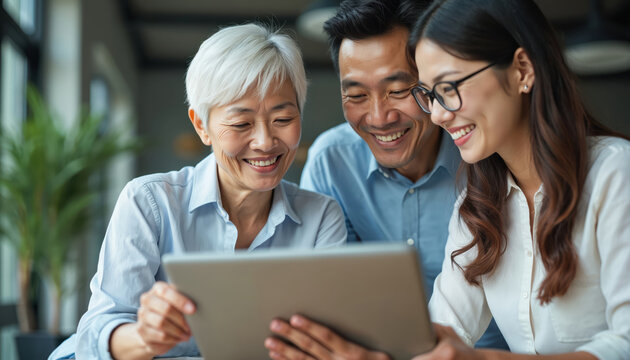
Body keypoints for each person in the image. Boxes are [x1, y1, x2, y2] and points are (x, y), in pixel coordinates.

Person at [267, 0, 630, 359]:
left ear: (522, 69)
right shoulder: (480, 203)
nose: (438, 115)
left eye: (449, 87)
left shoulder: (614, 172)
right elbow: (440, 335)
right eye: (430, 94)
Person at [48, 23, 347, 360]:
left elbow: (323, 339)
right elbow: (95, 334)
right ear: (202, 126)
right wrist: (146, 337)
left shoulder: (321, 217)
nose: (264, 142)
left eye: (283, 118)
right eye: (241, 124)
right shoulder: (150, 202)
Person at [264, 0, 507, 357]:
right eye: (357, 95)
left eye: (397, 90)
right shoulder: (333, 162)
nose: (379, 117)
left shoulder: (485, 154)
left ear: (432, 83)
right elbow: (326, 291)